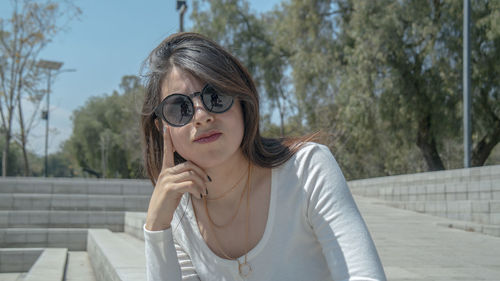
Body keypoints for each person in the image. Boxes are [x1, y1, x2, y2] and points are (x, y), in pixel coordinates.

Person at [141, 32, 386, 281]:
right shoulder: (178, 211)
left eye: (216, 96)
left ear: (242, 100)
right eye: (179, 108)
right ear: (163, 126)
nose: (201, 115)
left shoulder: (307, 170)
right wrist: (156, 227)